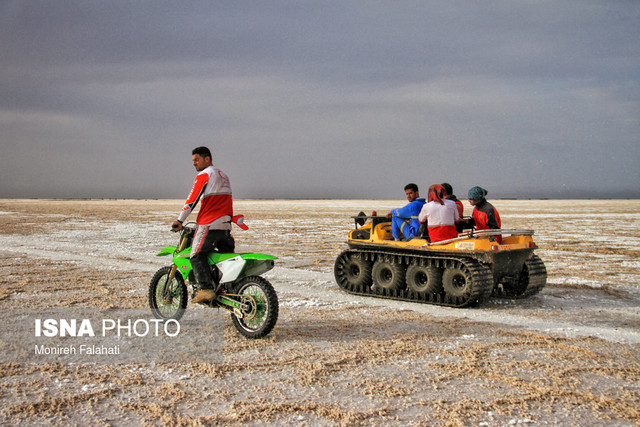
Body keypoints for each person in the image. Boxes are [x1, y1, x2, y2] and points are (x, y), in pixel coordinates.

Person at [171, 147, 236, 304]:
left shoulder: (204, 175)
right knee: (226, 260)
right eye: (193, 160)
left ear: (207, 159)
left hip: (209, 223)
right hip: (225, 225)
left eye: (197, 159)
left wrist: (179, 221)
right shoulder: (223, 175)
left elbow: (192, 199)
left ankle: (206, 289)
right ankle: (229, 289)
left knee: (196, 255)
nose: (194, 163)